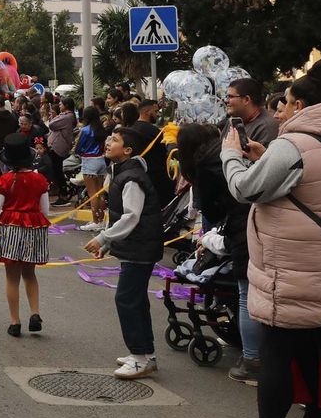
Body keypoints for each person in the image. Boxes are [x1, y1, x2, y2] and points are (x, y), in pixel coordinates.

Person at [212, 59, 321, 418]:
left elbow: (245, 188)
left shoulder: (294, 144)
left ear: (301, 105)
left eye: (283, 104)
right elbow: (317, 184)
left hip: (295, 271)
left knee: (277, 359)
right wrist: (267, 156)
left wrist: (231, 155)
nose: (279, 111)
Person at [175, 123, 259, 386]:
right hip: (254, 226)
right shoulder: (223, 157)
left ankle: (253, 360)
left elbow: (219, 206)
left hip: (244, 229)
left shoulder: (209, 165)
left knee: (247, 294)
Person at [83, 126, 164, 380]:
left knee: (127, 300)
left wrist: (103, 237)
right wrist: (108, 243)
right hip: (136, 247)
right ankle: (144, 354)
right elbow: (121, 217)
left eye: (115, 140)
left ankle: (140, 357)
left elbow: (131, 217)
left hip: (140, 248)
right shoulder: (123, 172)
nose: (108, 142)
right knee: (137, 300)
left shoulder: (131, 178)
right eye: (109, 138)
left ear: (128, 150)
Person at [0, 134, 49, 337]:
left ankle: (15, 322)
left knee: (12, 277)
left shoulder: (5, 181)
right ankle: (35, 312)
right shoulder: (39, 180)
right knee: (30, 274)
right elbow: (45, 211)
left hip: (10, 228)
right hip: (33, 228)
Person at [75, 105, 109, 231]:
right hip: (101, 160)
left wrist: (78, 152)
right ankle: (100, 219)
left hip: (89, 161)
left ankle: (96, 221)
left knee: (92, 193)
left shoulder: (86, 130)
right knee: (100, 192)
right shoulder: (101, 129)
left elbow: (79, 147)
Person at [227, 78, 279, 147]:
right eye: (227, 96)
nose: (226, 101)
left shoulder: (266, 128)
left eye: (230, 97)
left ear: (246, 99)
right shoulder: (234, 120)